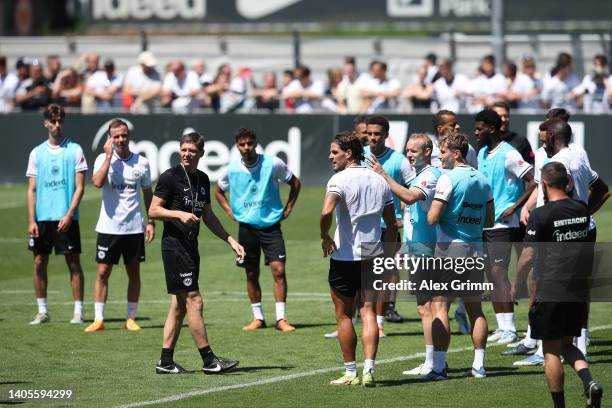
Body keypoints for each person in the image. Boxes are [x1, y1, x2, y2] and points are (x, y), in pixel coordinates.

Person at [514, 117, 608, 365]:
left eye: (543, 136)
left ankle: (540, 346)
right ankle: (579, 343)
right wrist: (584, 213)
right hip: (580, 226)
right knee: (578, 285)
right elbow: (601, 188)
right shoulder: (578, 155)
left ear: (553, 136)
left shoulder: (558, 163)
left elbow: (559, 191)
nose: (541, 140)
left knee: (542, 280)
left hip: (554, 225)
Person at [149, 132, 244, 374]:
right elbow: (153, 210)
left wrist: (230, 240)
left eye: (192, 151)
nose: (187, 154)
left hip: (190, 248)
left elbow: (208, 216)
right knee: (194, 300)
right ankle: (209, 360)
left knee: (179, 306)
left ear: (201, 154)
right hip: (175, 248)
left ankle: (165, 362)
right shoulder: (169, 177)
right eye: (184, 150)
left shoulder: (202, 179)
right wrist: (178, 214)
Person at [514, 162, 602, 408]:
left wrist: (516, 284)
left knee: (550, 349)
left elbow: (528, 256)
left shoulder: (541, 214)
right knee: (567, 344)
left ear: (543, 185)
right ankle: (589, 383)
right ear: (568, 183)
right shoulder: (582, 210)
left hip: (551, 288)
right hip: (577, 289)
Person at [321, 131, 396, 387]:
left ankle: (350, 372)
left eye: (334, 152)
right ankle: (370, 370)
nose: (330, 157)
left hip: (343, 257)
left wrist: (324, 236)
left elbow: (326, 212)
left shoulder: (338, 180)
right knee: (369, 314)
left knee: (343, 316)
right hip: (373, 255)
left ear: (349, 153)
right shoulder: (380, 181)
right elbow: (392, 224)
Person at [368, 133, 441, 376]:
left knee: (427, 306)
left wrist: (384, 175)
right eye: (408, 150)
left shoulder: (430, 175)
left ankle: (434, 363)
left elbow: (410, 197)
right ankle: (434, 362)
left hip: (426, 248)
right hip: (417, 246)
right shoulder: (421, 175)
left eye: (414, 151)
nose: (409, 154)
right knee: (426, 306)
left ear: (428, 151)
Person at [215, 128, 301, 332]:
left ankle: (281, 319)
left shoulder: (273, 163)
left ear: (256, 143)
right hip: (247, 229)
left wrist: (288, 207)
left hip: (271, 227)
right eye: (242, 145)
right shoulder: (232, 169)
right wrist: (229, 211)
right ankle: (258, 318)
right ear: (237, 146)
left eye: (250, 143)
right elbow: (218, 191)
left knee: (278, 270)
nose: (247, 148)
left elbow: (295, 183)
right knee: (251, 273)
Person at [425, 133, 494, 380]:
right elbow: (489, 220)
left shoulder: (447, 179)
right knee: (476, 309)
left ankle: (439, 367)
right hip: (475, 249)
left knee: (440, 305)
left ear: (456, 153)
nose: (439, 157)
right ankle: (479, 366)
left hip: (450, 249)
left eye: (442, 152)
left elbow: (433, 218)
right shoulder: (483, 179)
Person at [84, 119, 155, 333]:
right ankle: (99, 319)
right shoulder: (102, 159)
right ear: (110, 138)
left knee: (134, 273)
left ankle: (130, 318)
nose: (121, 139)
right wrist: (108, 156)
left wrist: (151, 221)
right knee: (103, 272)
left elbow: (148, 194)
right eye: (116, 136)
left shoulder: (141, 163)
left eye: (123, 135)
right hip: (108, 228)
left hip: (134, 228)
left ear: (128, 136)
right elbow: (96, 183)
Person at [474, 109, 534, 346]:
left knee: (499, 272)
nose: (476, 132)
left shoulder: (509, 153)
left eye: (479, 128)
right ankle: (502, 325)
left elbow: (533, 180)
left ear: (491, 128)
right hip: (486, 222)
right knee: (491, 274)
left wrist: (514, 206)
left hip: (504, 223)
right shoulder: (481, 153)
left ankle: (510, 328)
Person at [26, 104, 87, 325]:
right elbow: (31, 189)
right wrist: (31, 219)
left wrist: (70, 214)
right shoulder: (36, 153)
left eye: (60, 120)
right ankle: (42, 311)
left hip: (66, 217)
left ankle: (78, 311)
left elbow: (80, 187)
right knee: (39, 262)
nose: (57, 125)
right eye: (53, 121)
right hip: (42, 218)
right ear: (46, 123)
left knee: (73, 262)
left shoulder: (75, 150)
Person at [364, 115, 414, 329]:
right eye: (369, 134)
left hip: (389, 226)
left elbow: (413, 191)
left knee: (386, 271)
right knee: (365, 273)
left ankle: (381, 319)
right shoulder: (359, 156)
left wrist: (404, 217)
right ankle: (365, 315)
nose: (373, 138)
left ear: (386, 135)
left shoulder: (399, 160)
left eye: (377, 134)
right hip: (365, 226)